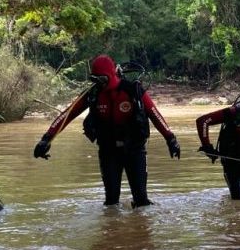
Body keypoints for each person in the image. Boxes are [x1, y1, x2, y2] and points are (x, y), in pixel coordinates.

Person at [32, 54, 180, 207]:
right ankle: (111, 229)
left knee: (142, 201)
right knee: (111, 202)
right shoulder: (93, 94)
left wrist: (171, 139)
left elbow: (155, 115)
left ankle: (140, 227)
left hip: (135, 150)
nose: (99, 84)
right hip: (108, 151)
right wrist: (47, 138)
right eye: (95, 80)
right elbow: (66, 115)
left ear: (111, 75)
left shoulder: (132, 91)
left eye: (102, 79)